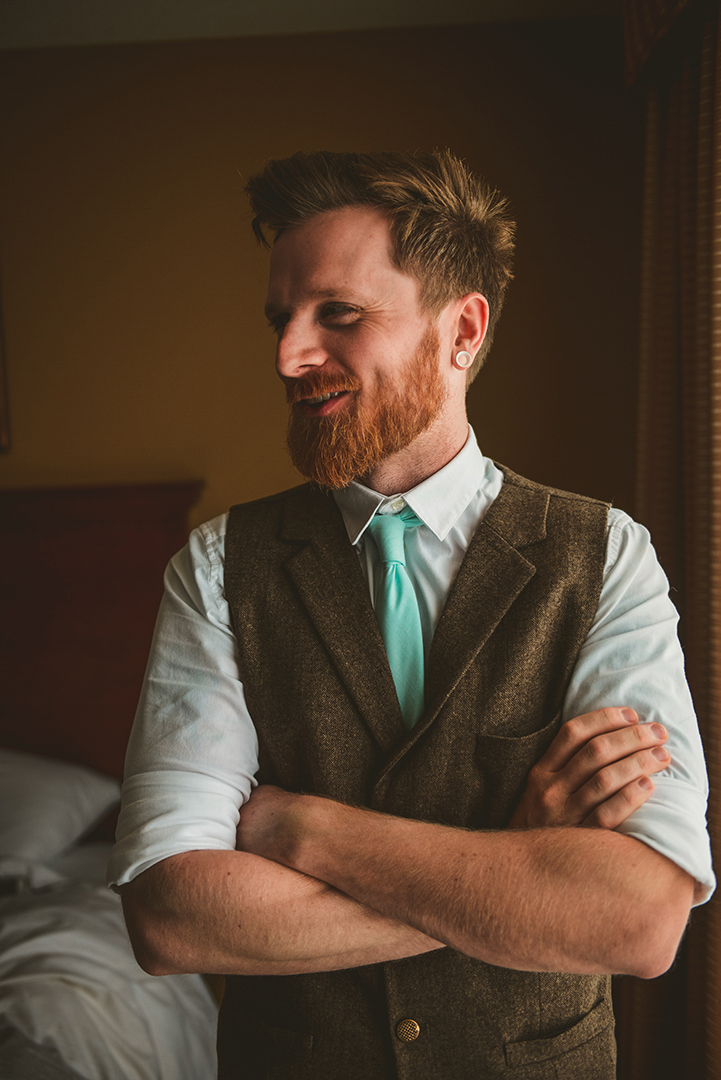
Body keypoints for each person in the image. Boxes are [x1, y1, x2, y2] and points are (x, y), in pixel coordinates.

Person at [110, 150, 714, 1079]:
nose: (287, 356)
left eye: (338, 316)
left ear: (461, 330)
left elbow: (635, 920)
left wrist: (300, 831)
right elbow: (171, 916)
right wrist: (516, 868)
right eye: (282, 320)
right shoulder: (218, 567)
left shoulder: (607, 558)